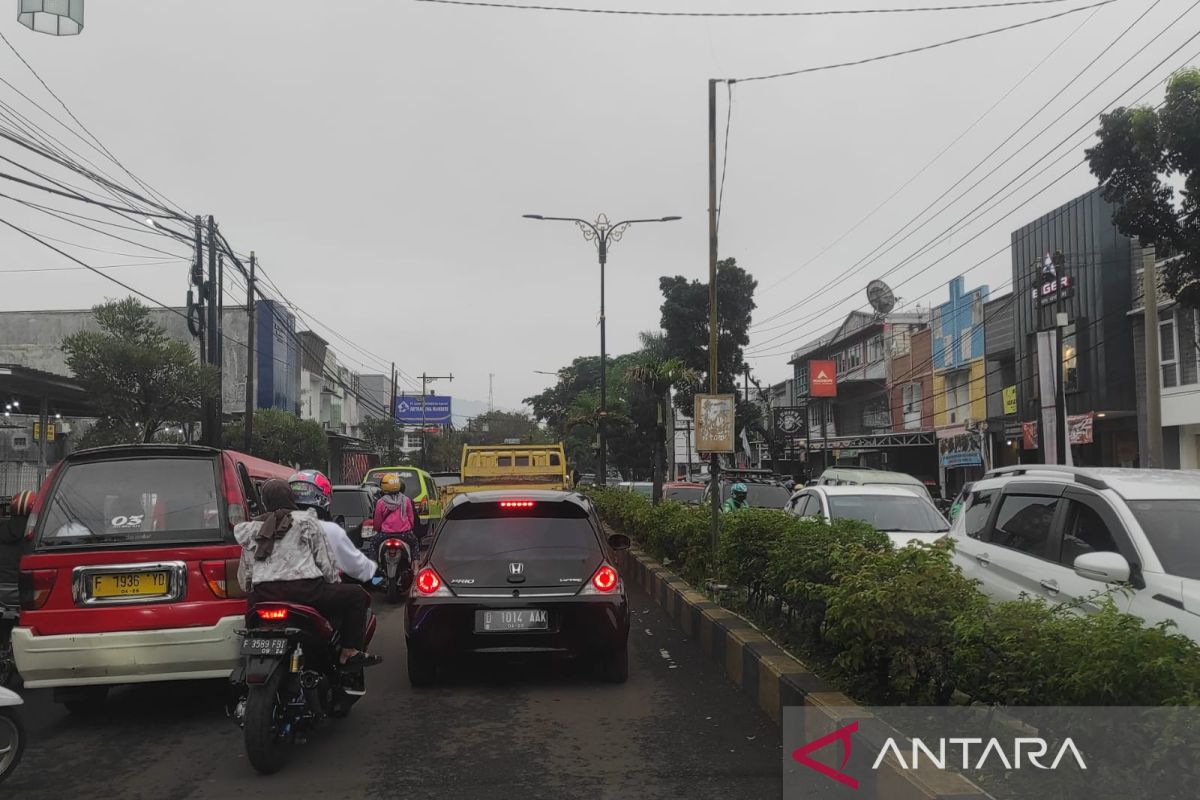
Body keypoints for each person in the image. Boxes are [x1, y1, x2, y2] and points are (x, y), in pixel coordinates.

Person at [235, 479, 381, 672]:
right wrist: (333, 584)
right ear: (290, 497)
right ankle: (349, 652)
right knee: (357, 595)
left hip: (263, 594)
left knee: (250, 624)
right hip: (305, 592)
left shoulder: (252, 529)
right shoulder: (306, 522)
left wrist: (252, 591)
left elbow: (246, 573)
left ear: (265, 501)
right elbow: (324, 562)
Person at [288, 470, 378, 584]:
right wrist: (374, 572)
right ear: (324, 497)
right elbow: (360, 568)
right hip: (312, 593)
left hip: (271, 593)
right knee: (359, 595)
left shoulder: (268, 525)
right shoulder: (329, 530)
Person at [372, 472, 418, 565]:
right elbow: (411, 519)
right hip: (404, 534)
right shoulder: (406, 500)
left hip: (385, 534)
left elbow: (377, 521)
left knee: (373, 544)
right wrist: (409, 528)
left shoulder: (380, 502)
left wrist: (377, 530)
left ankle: (373, 567)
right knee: (415, 544)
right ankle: (416, 566)